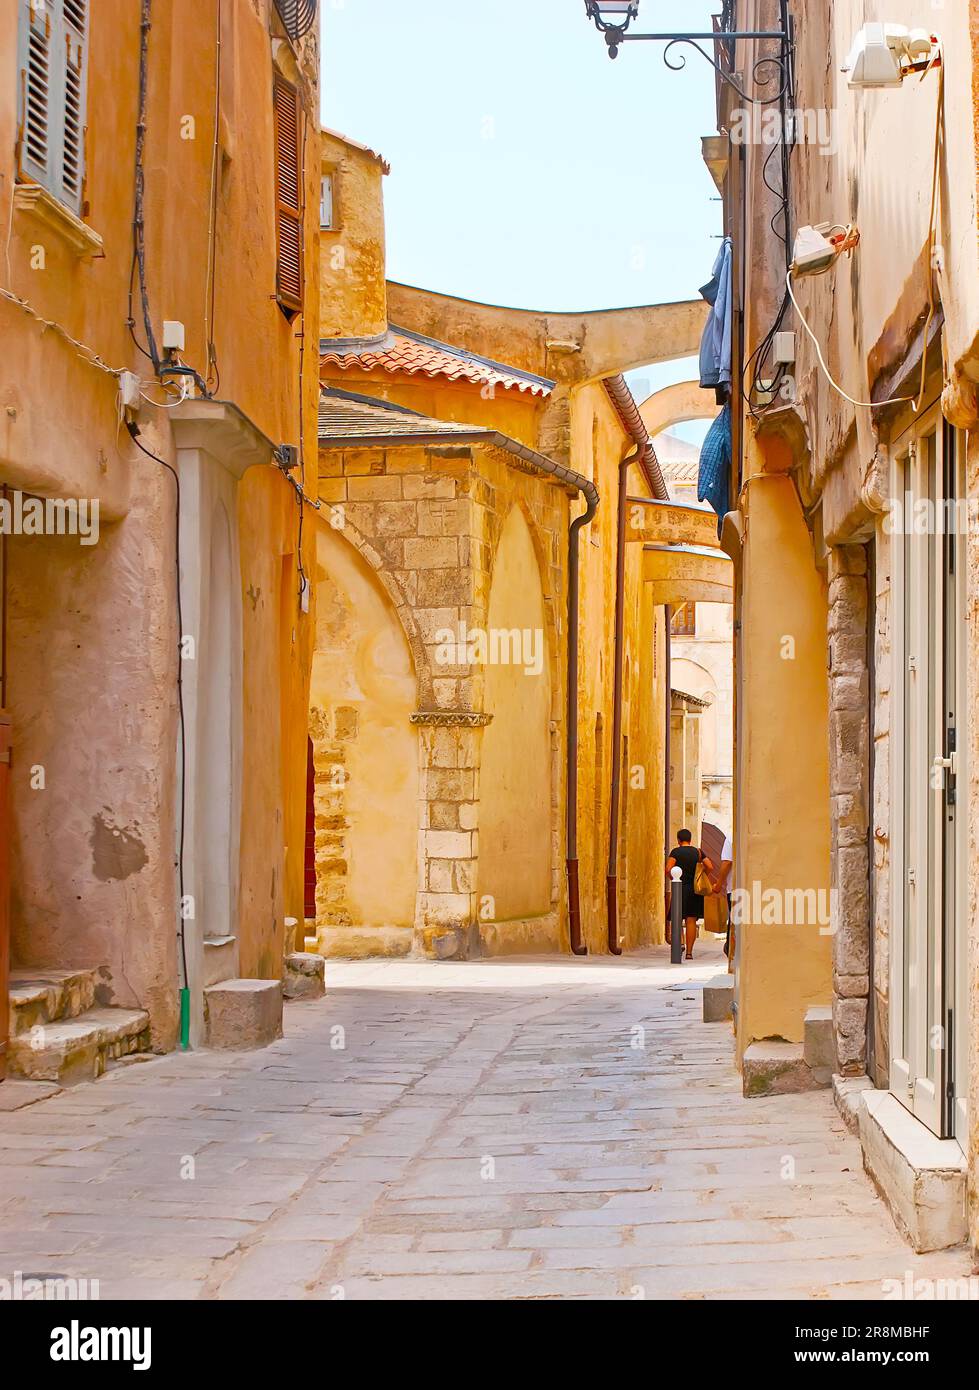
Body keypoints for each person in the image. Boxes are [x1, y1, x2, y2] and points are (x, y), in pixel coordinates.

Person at [665, 829, 716, 961]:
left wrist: (673, 878)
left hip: (680, 887)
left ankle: (680, 944)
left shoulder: (675, 852)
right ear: (690, 839)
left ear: (678, 840)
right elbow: (709, 866)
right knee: (691, 920)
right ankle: (689, 952)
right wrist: (701, 875)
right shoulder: (698, 852)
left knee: (678, 917)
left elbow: (668, 869)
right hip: (694, 889)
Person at [714, 832, 734, 958]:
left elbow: (727, 862)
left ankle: (731, 950)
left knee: (734, 921)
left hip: (735, 888)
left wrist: (718, 884)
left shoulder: (731, 838)